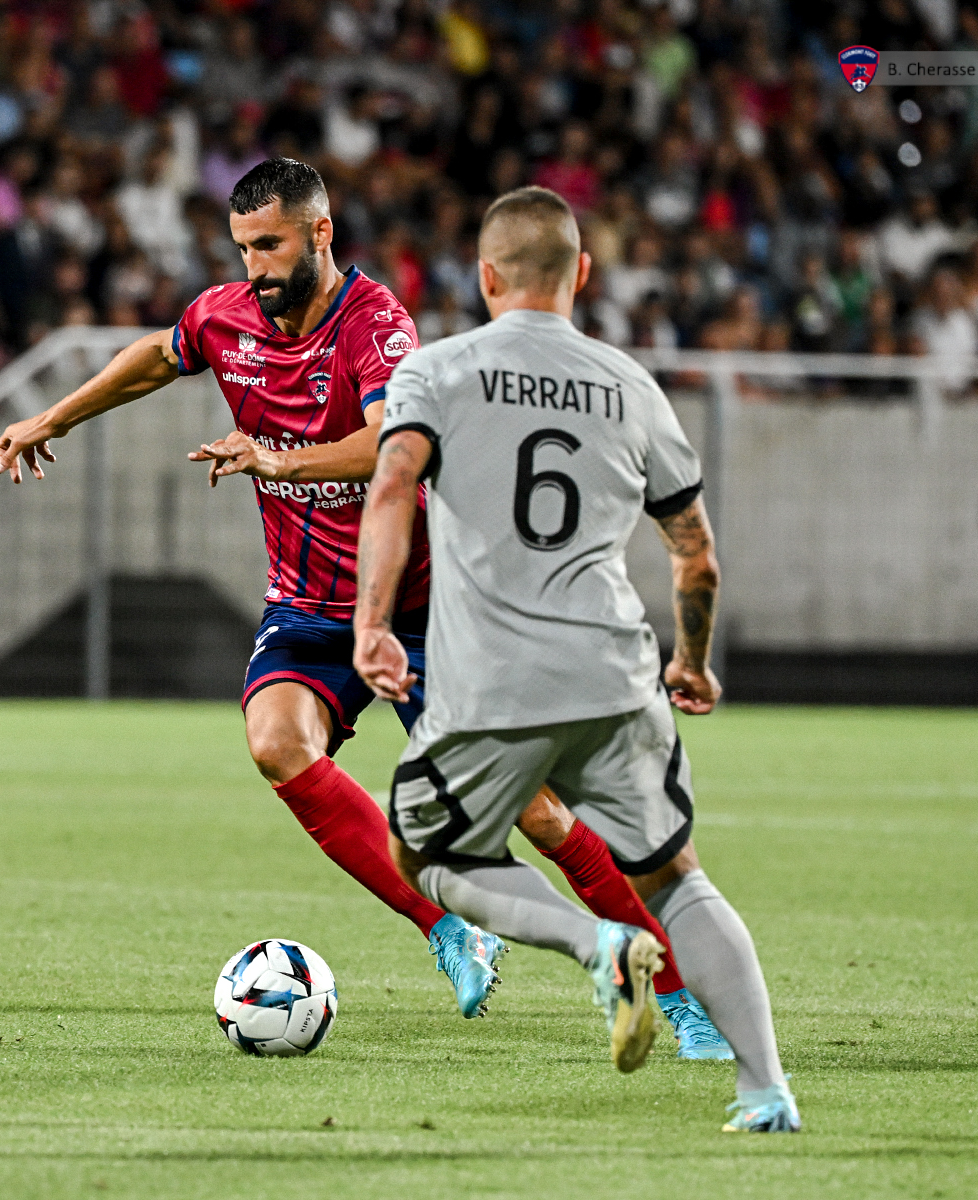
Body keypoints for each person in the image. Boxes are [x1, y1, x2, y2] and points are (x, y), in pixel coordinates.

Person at [0, 160, 727, 1053]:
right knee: (275, 743)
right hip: (306, 604)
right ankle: (452, 927)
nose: (255, 267)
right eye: (242, 249)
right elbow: (155, 356)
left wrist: (279, 459)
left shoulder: (377, 325)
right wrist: (51, 420)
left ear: (320, 234)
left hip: (419, 603)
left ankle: (681, 993)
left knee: (534, 812)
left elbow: (387, 446)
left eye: (270, 245)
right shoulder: (226, 315)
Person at [355, 186, 797, 1131]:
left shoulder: (436, 371)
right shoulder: (631, 385)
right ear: (581, 274)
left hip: (492, 684)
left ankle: (595, 946)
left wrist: (372, 622)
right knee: (676, 876)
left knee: (421, 847)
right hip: (616, 672)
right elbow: (697, 553)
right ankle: (766, 1089)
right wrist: (694, 661)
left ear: (483, 277)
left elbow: (392, 487)